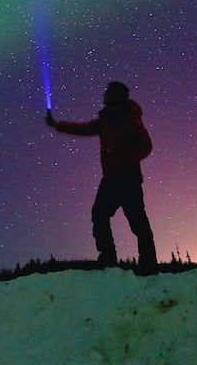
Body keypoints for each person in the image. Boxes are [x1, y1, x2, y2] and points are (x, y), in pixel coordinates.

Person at [45, 81, 157, 271]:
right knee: (99, 214)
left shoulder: (130, 118)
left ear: (115, 96)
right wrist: (57, 125)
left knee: (137, 220)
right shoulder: (105, 120)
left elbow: (146, 146)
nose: (103, 96)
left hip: (128, 176)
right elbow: (83, 128)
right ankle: (108, 258)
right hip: (111, 178)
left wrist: (123, 157)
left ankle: (148, 263)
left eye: (107, 93)